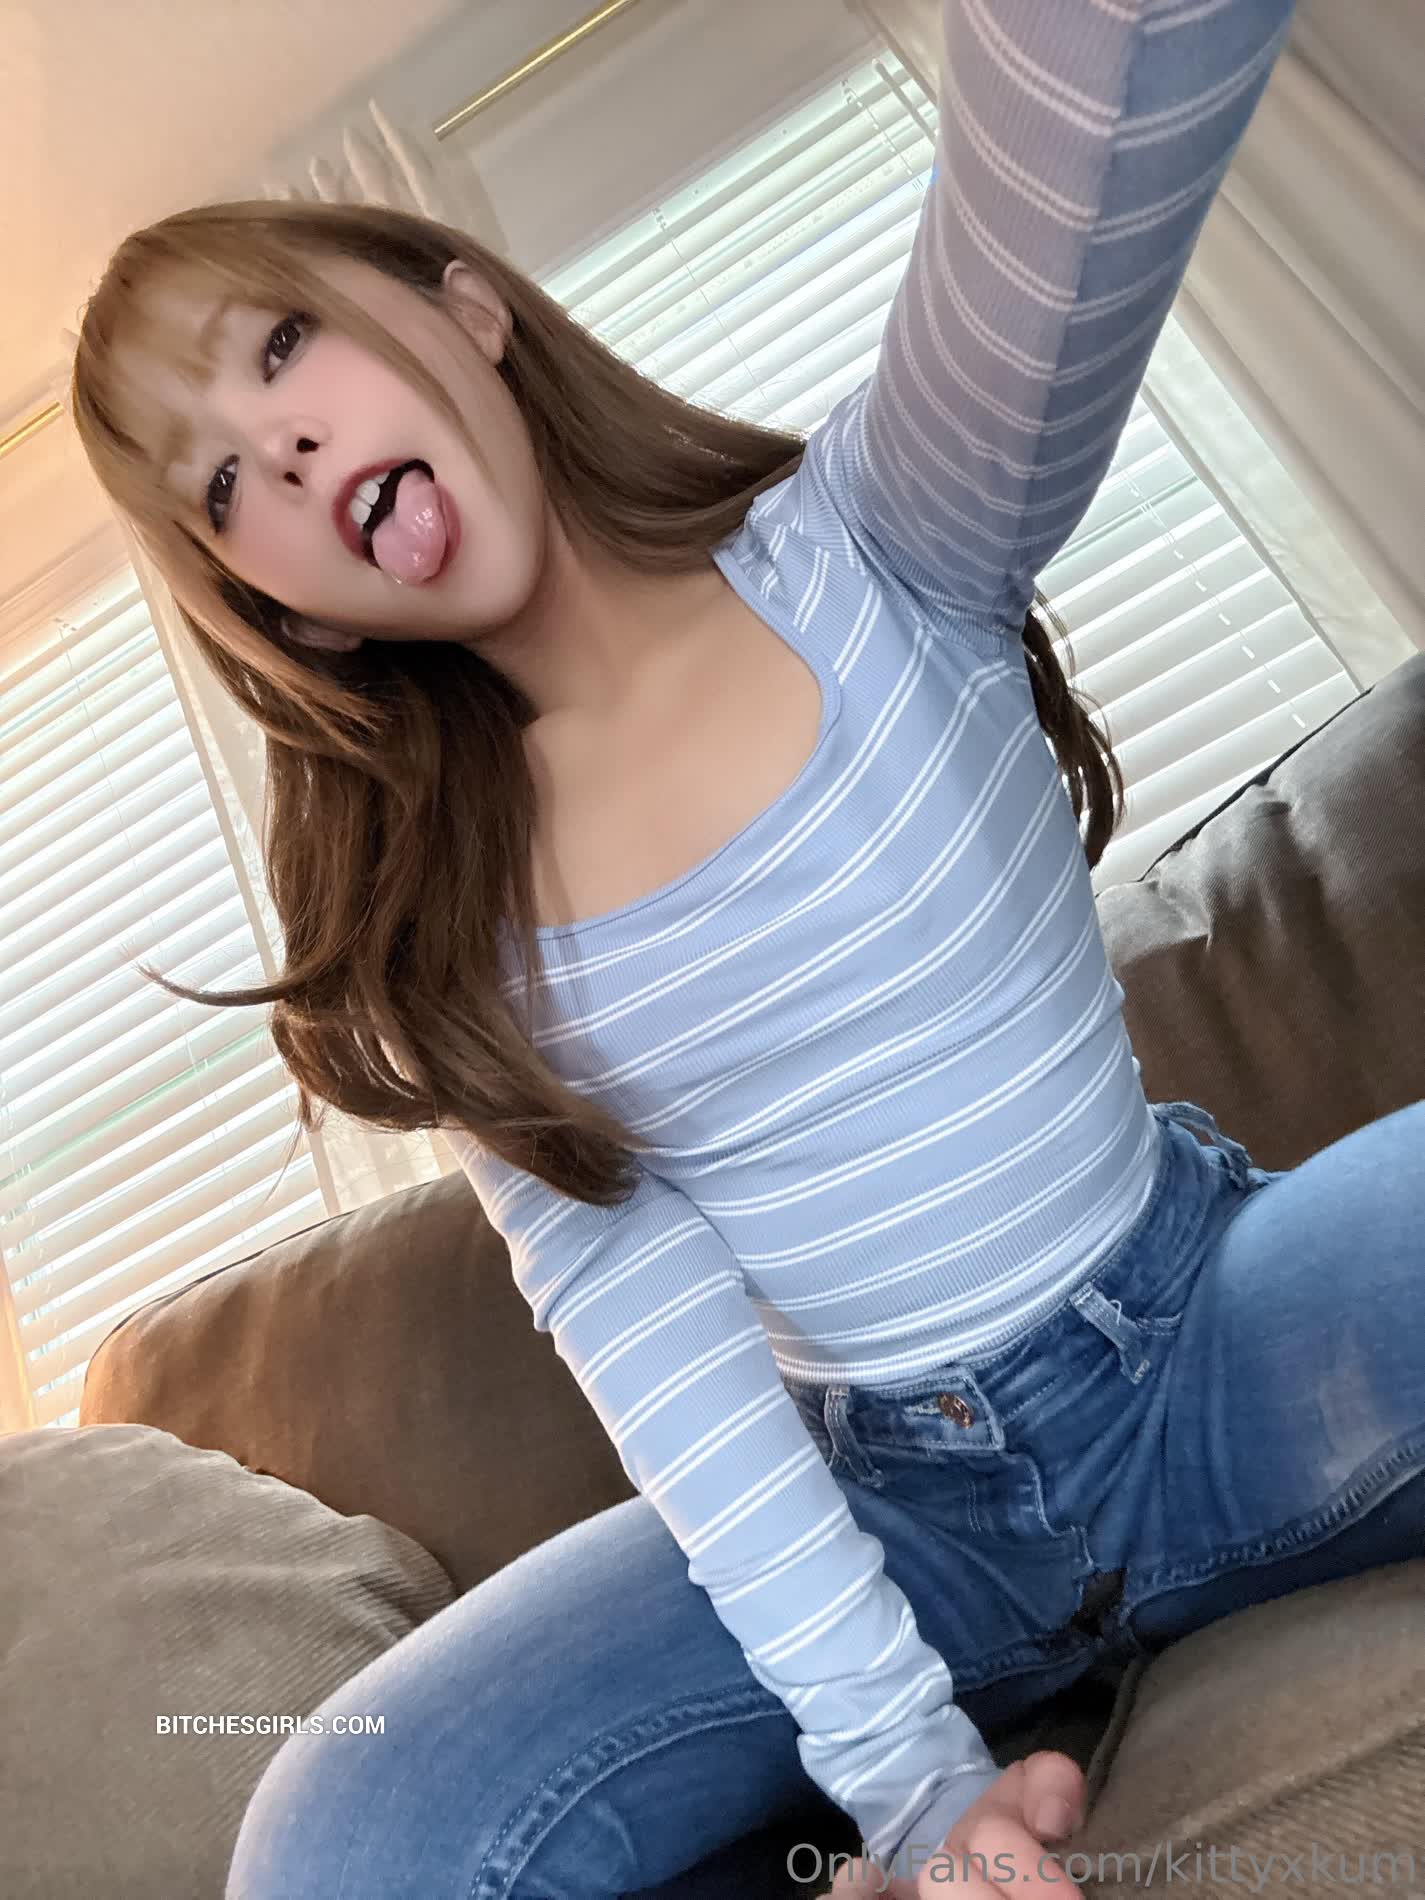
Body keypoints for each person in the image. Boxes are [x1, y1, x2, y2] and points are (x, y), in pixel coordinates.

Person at [69, 1, 1425, 1895]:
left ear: (465, 305)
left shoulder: (888, 534)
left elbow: (1106, 99)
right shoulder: (444, 949)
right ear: (289, 612)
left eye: (280, 346)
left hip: (1217, 1344)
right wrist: (907, 1784)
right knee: (339, 1828)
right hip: (893, 1523)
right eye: (217, 488)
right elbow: (681, 1388)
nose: (278, 452)